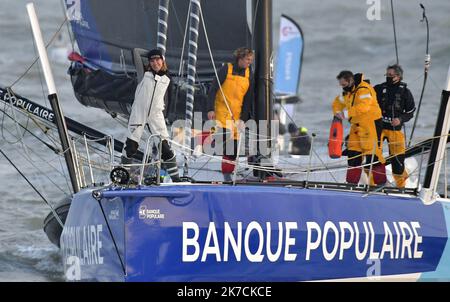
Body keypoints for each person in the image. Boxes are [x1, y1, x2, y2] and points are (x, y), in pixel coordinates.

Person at [121, 48, 180, 182]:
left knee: (165, 148)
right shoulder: (144, 73)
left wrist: (167, 114)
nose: (155, 63)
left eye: (157, 59)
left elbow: (168, 98)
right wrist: (150, 53)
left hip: (156, 114)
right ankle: (123, 174)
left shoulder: (167, 78)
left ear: (162, 60)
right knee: (131, 146)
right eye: (152, 60)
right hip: (139, 112)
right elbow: (135, 51)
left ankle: (176, 179)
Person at [207, 47, 255, 181]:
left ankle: (227, 176)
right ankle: (210, 138)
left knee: (233, 150)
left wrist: (243, 119)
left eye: (251, 60)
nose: (249, 63)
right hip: (221, 110)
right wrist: (210, 108)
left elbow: (248, 99)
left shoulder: (248, 73)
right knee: (224, 136)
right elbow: (213, 89)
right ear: (240, 58)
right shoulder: (225, 69)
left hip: (236, 114)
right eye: (247, 60)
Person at [332, 70, 386, 185]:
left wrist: (345, 114)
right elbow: (337, 102)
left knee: (373, 155)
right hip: (356, 126)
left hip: (370, 124)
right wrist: (337, 113)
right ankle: (351, 183)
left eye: (344, 85)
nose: (342, 87)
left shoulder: (364, 89)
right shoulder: (347, 92)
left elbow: (364, 106)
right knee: (353, 154)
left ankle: (381, 184)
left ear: (350, 81)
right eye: (341, 85)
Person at [374, 64, 415, 188]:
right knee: (374, 158)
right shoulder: (379, 88)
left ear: (398, 76)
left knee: (397, 162)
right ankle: (377, 184)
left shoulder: (405, 92)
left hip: (395, 131)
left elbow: (410, 111)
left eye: (390, 75)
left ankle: (402, 186)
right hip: (379, 129)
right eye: (387, 75)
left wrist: (400, 119)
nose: (388, 77)